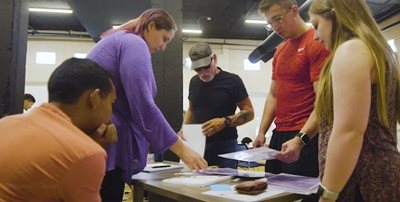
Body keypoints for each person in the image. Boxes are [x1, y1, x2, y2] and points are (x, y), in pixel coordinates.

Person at [278, 0, 400, 201]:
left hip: (360, 180)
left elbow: (349, 131)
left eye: (317, 25)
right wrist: (302, 140)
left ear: (335, 15)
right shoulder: (378, 51)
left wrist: (328, 194)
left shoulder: (351, 50)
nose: (315, 36)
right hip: (379, 176)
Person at [86, 8, 208, 201]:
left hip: (96, 141)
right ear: (151, 26)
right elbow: (143, 106)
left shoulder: (120, 40)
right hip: (103, 142)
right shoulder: (134, 43)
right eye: (164, 38)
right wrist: (182, 150)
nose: (163, 46)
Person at [0, 58, 117, 201]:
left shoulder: (6, 124)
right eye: (112, 102)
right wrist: (91, 150)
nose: (111, 115)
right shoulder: (86, 153)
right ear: (95, 98)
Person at [253, 0, 329, 200]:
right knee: (270, 195)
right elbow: (274, 95)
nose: (276, 27)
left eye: (278, 19)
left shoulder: (316, 42)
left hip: (307, 137)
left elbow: (323, 101)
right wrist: (262, 131)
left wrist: (301, 139)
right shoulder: (280, 50)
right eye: (271, 23)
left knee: (304, 197)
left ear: (294, 10)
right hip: (280, 136)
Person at [182, 42, 254, 168]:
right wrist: (185, 130)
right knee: (199, 184)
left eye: (206, 67)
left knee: (223, 186)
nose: (203, 73)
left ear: (214, 59)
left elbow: (249, 112)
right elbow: (191, 110)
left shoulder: (232, 81)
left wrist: (224, 122)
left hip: (226, 146)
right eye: (198, 70)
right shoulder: (194, 82)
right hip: (199, 145)